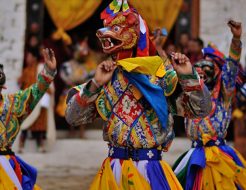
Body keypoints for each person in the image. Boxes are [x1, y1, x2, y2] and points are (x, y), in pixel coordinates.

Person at [65, 1, 211, 189]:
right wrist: (95, 84)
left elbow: (201, 110)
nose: (105, 33)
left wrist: (188, 76)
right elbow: (72, 117)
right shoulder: (106, 77)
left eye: (116, 28)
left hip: (150, 170)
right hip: (114, 170)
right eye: (109, 28)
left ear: (134, 34)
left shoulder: (161, 77)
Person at [173, 20, 246, 189]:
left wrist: (236, 39)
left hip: (219, 156)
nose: (202, 72)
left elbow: (231, 68)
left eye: (208, 69)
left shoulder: (224, 93)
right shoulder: (192, 94)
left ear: (218, 73)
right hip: (194, 155)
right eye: (198, 70)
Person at [0, 48, 56, 189]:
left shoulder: (13, 103)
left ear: (3, 87)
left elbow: (36, 91)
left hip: (5, 166)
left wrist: (48, 72)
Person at [18, 50, 56, 153]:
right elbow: (21, 84)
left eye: (29, 56)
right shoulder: (26, 70)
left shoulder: (40, 68)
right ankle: (21, 145)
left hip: (40, 100)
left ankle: (40, 146)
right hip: (29, 100)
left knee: (39, 125)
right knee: (25, 122)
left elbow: (46, 83)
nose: (27, 59)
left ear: (34, 58)